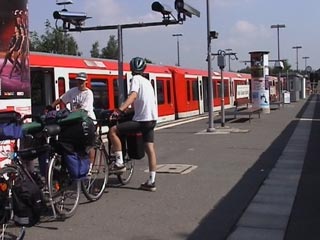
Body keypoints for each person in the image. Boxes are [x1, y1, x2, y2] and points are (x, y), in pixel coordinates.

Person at [108, 57, 158, 192]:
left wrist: (119, 110)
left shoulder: (135, 79)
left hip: (141, 121)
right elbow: (141, 104)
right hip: (151, 121)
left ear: (131, 69)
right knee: (150, 150)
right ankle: (151, 181)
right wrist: (128, 110)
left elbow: (133, 96)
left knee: (113, 131)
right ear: (144, 69)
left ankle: (119, 162)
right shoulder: (147, 82)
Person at [51, 72, 96, 169]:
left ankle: (90, 167)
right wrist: (51, 107)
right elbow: (61, 99)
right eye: (79, 81)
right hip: (74, 121)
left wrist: (70, 112)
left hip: (88, 120)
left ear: (86, 82)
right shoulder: (73, 91)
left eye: (82, 81)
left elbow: (83, 110)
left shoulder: (88, 93)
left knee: (89, 144)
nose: (80, 83)